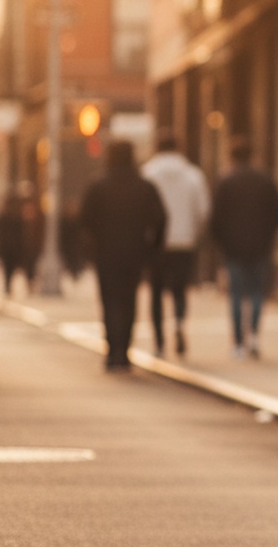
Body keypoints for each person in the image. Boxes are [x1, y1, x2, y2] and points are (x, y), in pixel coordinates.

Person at [79, 140, 167, 371]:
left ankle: (112, 349)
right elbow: (160, 219)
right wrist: (153, 249)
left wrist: (92, 247)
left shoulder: (98, 186)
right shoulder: (145, 187)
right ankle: (124, 350)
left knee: (109, 300)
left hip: (106, 252)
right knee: (129, 300)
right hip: (134, 252)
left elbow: (85, 220)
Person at [210, 136, 278, 359]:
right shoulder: (265, 180)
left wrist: (221, 241)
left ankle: (238, 343)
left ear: (231, 157)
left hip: (234, 247)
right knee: (255, 292)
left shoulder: (226, 182)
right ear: (252, 156)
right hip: (260, 245)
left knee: (236, 294)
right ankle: (253, 334)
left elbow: (216, 218)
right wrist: (268, 234)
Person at [142, 131, 211, 358]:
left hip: (156, 243)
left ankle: (159, 340)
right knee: (180, 290)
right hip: (184, 240)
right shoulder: (192, 175)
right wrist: (195, 234)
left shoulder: (148, 173)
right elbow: (203, 210)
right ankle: (179, 324)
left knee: (156, 292)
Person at [0, 182, 43, 295]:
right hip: (14, 246)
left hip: (14, 246)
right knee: (14, 267)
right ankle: (13, 284)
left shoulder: (14, 215)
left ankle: (10, 285)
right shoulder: (14, 216)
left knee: (12, 267)